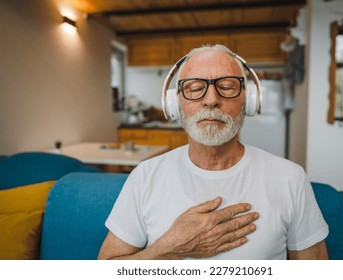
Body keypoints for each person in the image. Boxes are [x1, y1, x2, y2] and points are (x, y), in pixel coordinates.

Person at [98, 44, 329, 260]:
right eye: (195, 88)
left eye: (227, 87)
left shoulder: (290, 178)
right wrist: (169, 249)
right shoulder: (144, 176)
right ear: (174, 104)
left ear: (248, 100)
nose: (211, 100)